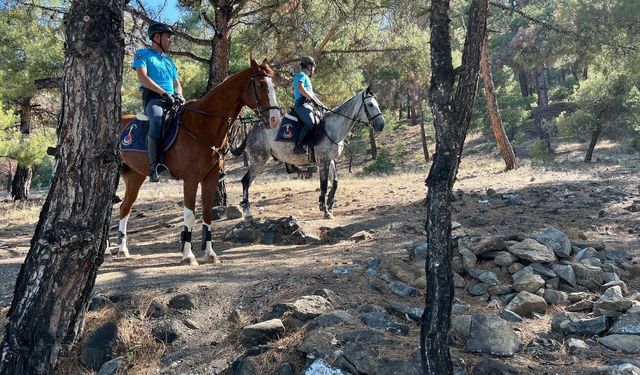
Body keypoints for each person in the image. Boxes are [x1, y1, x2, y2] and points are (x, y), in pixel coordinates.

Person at [132, 22, 186, 182]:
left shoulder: (169, 61)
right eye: (167, 37)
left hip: (173, 99)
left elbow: (176, 82)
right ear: (157, 37)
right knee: (157, 119)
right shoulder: (142, 54)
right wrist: (163, 93)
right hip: (154, 99)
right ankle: (155, 166)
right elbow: (143, 77)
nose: (170, 40)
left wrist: (179, 95)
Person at [292, 56, 326, 154]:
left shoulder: (306, 78)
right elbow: (300, 88)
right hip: (301, 104)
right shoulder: (301, 74)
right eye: (313, 66)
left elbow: (313, 96)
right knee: (311, 122)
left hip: (307, 104)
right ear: (309, 66)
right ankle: (298, 146)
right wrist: (311, 99)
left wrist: (322, 106)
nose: (314, 69)